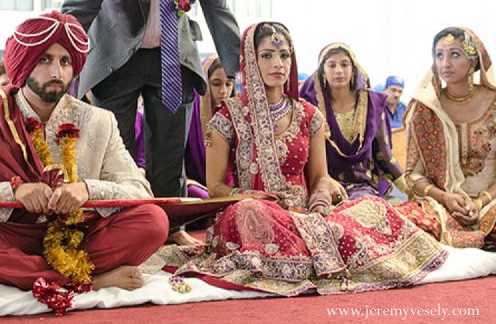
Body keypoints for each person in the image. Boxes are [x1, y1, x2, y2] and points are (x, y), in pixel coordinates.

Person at [160, 22, 446, 295]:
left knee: (373, 207)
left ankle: (311, 245)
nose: (278, 64)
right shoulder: (227, 119)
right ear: (250, 60)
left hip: (305, 212)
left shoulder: (309, 116)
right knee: (251, 212)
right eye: (268, 55)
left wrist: (320, 202)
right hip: (253, 211)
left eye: (284, 55)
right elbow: (215, 188)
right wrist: (253, 196)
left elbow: (320, 176)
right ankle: (311, 252)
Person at [0, 11, 168, 295]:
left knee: (154, 221)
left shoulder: (99, 121)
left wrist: (87, 190)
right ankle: (86, 280)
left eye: (65, 62)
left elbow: (140, 190)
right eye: (45, 60)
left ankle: (26, 278)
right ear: (24, 65)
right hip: (8, 238)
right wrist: (13, 193)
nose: (56, 73)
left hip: (82, 238)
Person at [61, 0, 240, 246]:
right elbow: (80, 10)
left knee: (170, 149)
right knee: (114, 146)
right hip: (117, 60)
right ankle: (114, 228)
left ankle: (170, 228)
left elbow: (219, 14)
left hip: (173, 59)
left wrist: (239, 71)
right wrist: (59, 64)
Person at [394, 27, 496, 249]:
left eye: (455, 54)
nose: (445, 63)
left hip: (491, 201)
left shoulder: (494, 103)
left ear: (474, 60)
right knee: (403, 223)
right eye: (439, 55)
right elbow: (412, 175)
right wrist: (445, 198)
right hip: (441, 205)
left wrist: (479, 203)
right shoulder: (425, 108)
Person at [300, 44, 404, 201]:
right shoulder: (310, 106)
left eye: (344, 64)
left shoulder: (372, 103)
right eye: (332, 65)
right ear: (322, 71)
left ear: (354, 68)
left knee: (363, 209)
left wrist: (411, 188)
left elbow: (383, 154)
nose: (338, 71)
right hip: (322, 184)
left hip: (363, 184)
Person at [184, 55, 235, 198]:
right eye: (216, 84)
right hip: (195, 185)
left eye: (229, 84)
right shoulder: (188, 117)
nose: (224, 91)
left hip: (229, 189)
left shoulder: (237, 118)